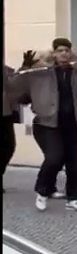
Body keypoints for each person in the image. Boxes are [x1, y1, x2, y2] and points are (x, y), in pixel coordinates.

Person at [6, 38, 77, 212]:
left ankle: (74, 197)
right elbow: (14, 87)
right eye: (60, 50)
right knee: (54, 158)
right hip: (46, 124)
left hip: (72, 124)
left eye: (67, 50)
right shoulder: (41, 71)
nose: (64, 53)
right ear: (54, 53)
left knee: (74, 162)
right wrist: (25, 68)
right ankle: (42, 191)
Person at [2, 64, 23, 193]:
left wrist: (25, 67)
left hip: (6, 113)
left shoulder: (7, 70)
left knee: (9, 146)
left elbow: (15, 86)